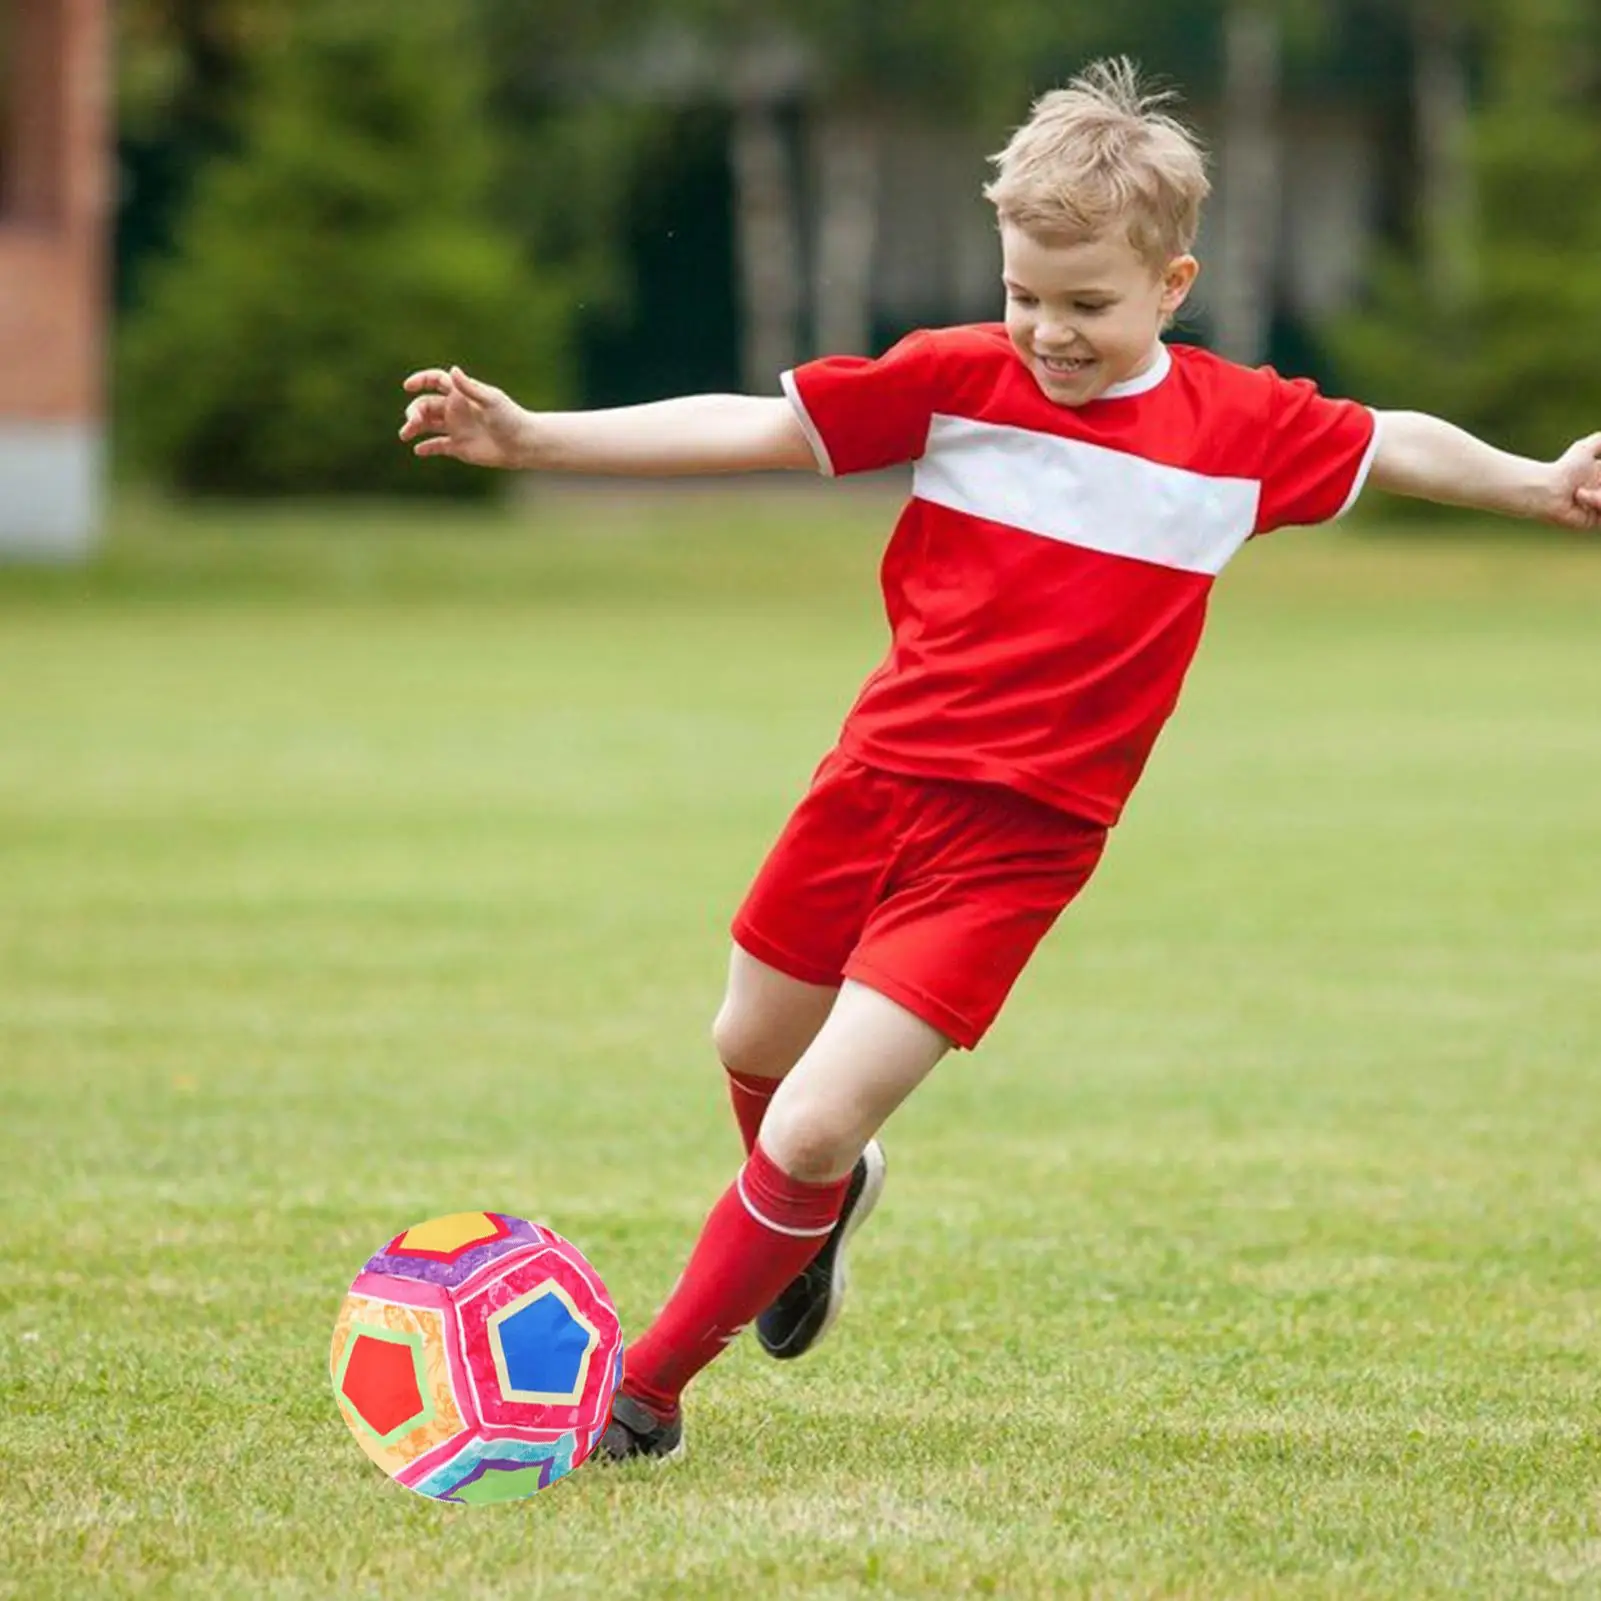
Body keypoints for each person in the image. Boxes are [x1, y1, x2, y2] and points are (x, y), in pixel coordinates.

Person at [399, 58, 1601, 1463]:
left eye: (1086, 304)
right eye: (1025, 295)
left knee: (809, 1123)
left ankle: (646, 1393)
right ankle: (823, 1211)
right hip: (871, 787)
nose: (1047, 331)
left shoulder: (1238, 433)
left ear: (1173, 284)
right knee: (752, 1052)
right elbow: (760, 425)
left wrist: (1537, 482)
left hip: (1021, 844)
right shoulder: (960, 383)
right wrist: (536, 438)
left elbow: (1390, 441)